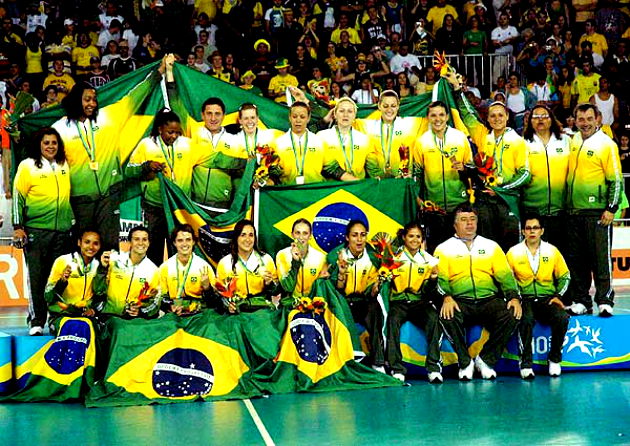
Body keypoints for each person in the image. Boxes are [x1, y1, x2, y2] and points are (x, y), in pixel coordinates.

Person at [52, 68, 160, 250]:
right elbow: (42, 150)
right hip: (80, 199)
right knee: (83, 247)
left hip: (109, 195)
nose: (92, 104)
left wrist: (157, 73)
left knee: (109, 245)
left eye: (94, 99)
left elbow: (134, 97)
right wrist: (16, 134)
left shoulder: (107, 117)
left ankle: (109, 278)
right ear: (76, 100)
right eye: (87, 99)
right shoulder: (61, 129)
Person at [436, 203, 521, 380]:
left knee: (514, 313)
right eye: (464, 220)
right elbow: (440, 280)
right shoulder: (443, 249)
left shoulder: (491, 246)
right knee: (447, 315)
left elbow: (505, 277)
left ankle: (486, 360)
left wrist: (513, 297)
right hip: (460, 300)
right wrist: (447, 297)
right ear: (455, 225)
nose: (469, 224)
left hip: (488, 300)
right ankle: (465, 362)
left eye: (473, 219)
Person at [126, 109, 208, 265]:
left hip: (178, 208)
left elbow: (213, 158)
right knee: (153, 248)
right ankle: (154, 284)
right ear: (160, 129)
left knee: (178, 248)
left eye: (177, 132)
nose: (174, 136)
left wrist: (245, 162)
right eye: (170, 132)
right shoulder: (146, 145)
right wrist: (146, 166)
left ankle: (175, 281)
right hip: (154, 208)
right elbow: (128, 171)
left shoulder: (186, 144)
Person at [12, 128, 74, 336]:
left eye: (54, 143)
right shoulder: (27, 166)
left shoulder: (64, 165)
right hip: (36, 231)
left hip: (62, 232)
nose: (50, 146)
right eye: (46, 143)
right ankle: (37, 321)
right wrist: (18, 227)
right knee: (37, 277)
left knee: (58, 278)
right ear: (39, 144)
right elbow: (18, 197)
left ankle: (57, 319)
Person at [565, 104, 623, 317]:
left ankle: (605, 301)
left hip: (598, 212)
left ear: (598, 119)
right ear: (575, 120)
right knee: (577, 260)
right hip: (574, 212)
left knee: (601, 259)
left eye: (589, 119)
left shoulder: (607, 145)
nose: (585, 123)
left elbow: (616, 180)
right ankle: (581, 300)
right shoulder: (574, 140)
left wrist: (611, 208)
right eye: (581, 119)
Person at [506, 214, 570, 379]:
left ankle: (555, 359)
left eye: (535, 228)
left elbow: (565, 276)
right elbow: (507, 280)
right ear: (523, 231)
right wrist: (514, 298)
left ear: (542, 231)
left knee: (562, 317)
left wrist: (558, 295)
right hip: (524, 299)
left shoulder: (552, 251)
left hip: (547, 298)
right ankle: (526, 364)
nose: (532, 231)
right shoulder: (513, 252)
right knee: (525, 319)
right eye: (528, 228)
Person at [413, 100, 473, 253]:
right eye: (433, 115)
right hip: (434, 207)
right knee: (437, 249)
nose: (437, 119)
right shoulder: (421, 142)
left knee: (461, 249)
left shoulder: (460, 138)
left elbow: (473, 169)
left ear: (447, 117)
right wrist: (418, 198)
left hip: (459, 204)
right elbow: (417, 174)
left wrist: (464, 168)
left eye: (441, 115)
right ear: (428, 118)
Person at [387, 222, 442, 383]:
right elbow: (386, 282)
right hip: (399, 302)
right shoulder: (394, 258)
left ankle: (433, 368)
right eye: (411, 236)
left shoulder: (429, 260)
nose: (414, 240)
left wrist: (433, 280)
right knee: (393, 321)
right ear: (404, 237)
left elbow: (430, 292)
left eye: (418, 236)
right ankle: (397, 368)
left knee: (433, 319)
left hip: (420, 303)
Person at [325, 219, 383, 371]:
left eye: (363, 235)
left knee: (375, 309)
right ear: (347, 238)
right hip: (343, 301)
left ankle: (378, 362)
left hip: (363, 301)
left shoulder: (373, 258)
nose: (359, 239)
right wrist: (342, 274)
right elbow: (335, 289)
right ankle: (346, 362)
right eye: (355, 235)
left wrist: (376, 287)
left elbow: (372, 292)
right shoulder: (335, 256)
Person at [476, 101, 530, 252]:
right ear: (487, 119)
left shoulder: (517, 141)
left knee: (510, 247)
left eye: (500, 115)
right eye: (492, 116)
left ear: (507, 116)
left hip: (508, 201)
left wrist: (501, 190)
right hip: (487, 202)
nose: (496, 119)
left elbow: (525, 174)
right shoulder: (486, 140)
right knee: (489, 246)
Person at [521, 105, 571, 250]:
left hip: (561, 211)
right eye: (536, 117)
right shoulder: (523, 143)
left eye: (544, 116)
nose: (540, 119)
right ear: (530, 121)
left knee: (561, 254)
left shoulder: (565, 141)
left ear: (552, 119)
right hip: (533, 211)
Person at [94, 225, 160, 319]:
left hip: (132, 322)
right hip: (108, 317)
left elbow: (155, 302)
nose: (141, 243)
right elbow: (97, 289)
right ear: (130, 242)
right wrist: (102, 268)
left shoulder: (154, 270)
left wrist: (140, 311)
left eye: (144, 239)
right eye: (136, 239)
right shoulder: (114, 261)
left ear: (149, 243)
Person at [44, 228, 102, 335]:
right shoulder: (63, 261)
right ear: (79, 243)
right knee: (76, 329)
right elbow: (48, 297)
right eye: (87, 242)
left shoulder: (98, 266)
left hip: (86, 316)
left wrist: (93, 310)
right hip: (61, 315)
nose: (91, 247)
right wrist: (62, 281)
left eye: (96, 243)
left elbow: (101, 295)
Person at [216, 220, 278, 313]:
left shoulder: (266, 259)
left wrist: (269, 283)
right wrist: (227, 306)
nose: (248, 239)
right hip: (238, 310)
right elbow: (219, 294)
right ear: (236, 238)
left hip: (262, 310)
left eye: (251, 235)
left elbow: (276, 291)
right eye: (243, 235)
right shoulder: (225, 263)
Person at [358, 90, 421, 179]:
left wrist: (403, 173)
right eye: (385, 106)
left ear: (398, 106)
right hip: (376, 180)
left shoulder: (408, 125)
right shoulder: (368, 126)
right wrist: (377, 175)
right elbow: (347, 119)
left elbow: (405, 152)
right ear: (379, 106)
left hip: (400, 179)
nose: (389, 110)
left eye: (393, 106)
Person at [157, 224, 215, 315]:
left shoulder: (204, 267)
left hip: (198, 315)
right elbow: (159, 298)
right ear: (174, 243)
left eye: (188, 240)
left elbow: (214, 303)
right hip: (173, 314)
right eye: (180, 240)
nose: (184, 244)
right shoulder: (165, 267)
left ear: (193, 242)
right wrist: (170, 306)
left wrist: (207, 288)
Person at [319, 97, 373, 180]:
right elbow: (327, 166)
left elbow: (372, 168)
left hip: (358, 189)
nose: (345, 115)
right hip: (332, 189)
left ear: (355, 116)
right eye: (341, 111)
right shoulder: (322, 136)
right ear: (335, 114)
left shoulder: (364, 139)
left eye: (350, 111)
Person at [276, 218, 327, 304]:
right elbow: (287, 287)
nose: (301, 237)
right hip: (289, 305)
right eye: (297, 233)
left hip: (313, 306)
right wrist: (295, 262)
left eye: (305, 233)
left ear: (310, 235)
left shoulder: (321, 258)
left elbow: (321, 290)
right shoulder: (282, 255)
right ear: (292, 234)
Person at [273, 101, 326, 185]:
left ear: (308, 118)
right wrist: (266, 181)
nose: (298, 120)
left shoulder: (318, 141)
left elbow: (330, 167)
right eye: (294, 116)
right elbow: (275, 171)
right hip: (289, 192)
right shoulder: (279, 142)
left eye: (302, 117)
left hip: (315, 191)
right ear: (290, 118)